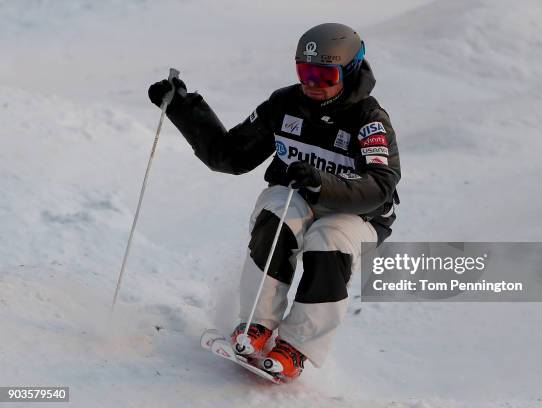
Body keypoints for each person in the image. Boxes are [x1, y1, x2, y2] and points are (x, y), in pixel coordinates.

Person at [148, 23, 401, 380]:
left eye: (324, 74)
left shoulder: (369, 120)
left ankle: (295, 347)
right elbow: (230, 155)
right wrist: (182, 108)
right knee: (276, 214)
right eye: (304, 71)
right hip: (298, 195)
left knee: (328, 241)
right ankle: (256, 325)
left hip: (358, 213)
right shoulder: (285, 104)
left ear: (350, 70)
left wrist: (322, 183)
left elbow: (380, 186)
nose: (312, 83)